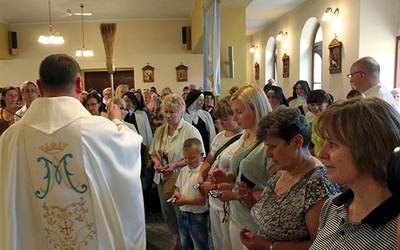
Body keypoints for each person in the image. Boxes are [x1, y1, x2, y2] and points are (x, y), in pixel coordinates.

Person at [0, 54, 146, 249]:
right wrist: (117, 121)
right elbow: (132, 146)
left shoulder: (10, 139)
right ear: (79, 84)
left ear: (39, 86)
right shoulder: (99, 130)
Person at [237, 107, 340, 250]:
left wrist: (269, 246)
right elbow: (267, 212)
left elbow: (319, 245)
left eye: (272, 147)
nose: (267, 154)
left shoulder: (317, 183)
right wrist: (247, 196)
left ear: (297, 142)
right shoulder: (283, 170)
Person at [309, 97, 400, 249]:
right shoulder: (333, 206)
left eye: (333, 144)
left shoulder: (395, 229)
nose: (321, 153)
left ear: (369, 151)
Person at [209, 84, 273, 250]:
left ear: (255, 109)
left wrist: (235, 196)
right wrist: (227, 177)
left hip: (255, 222)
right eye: (233, 112)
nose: (234, 117)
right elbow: (241, 176)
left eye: (239, 112)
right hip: (237, 214)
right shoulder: (246, 135)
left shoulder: (269, 143)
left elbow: (276, 191)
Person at [149, 94, 204, 250]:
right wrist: (157, 162)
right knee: (168, 213)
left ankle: (188, 242)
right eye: (166, 111)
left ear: (181, 112)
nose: (168, 115)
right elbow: (153, 153)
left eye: (172, 112)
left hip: (182, 177)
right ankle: (176, 241)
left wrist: (175, 164)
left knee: (182, 212)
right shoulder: (160, 131)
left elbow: (200, 156)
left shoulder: (190, 131)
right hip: (163, 178)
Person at [197, 96, 242, 250]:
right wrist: (201, 176)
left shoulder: (242, 140)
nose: (221, 123)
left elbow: (239, 176)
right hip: (214, 198)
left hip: (229, 200)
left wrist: (214, 185)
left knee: (230, 243)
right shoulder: (219, 137)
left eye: (225, 119)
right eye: (219, 119)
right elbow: (209, 160)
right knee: (218, 241)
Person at [171, 138, 209, 250]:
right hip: (183, 213)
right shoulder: (183, 170)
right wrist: (177, 194)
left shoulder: (204, 171)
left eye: (192, 157)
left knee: (199, 244)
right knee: (185, 243)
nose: (188, 161)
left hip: (198, 215)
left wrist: (185, 201)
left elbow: (204, 199)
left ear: (201, 154)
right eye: (185, 158)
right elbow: (177, 187)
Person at [184, 89, 216, 155]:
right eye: (200, 100)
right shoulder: (184, 116)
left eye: (203, 100)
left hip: (205, 149)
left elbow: (212, 134)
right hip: (189, 150)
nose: (202, 102)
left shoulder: (206, 115)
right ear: (193, 100)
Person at [306, 89, 332, 157]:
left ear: (327, 104)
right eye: (312, 104)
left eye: (319, 104)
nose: (316, 108)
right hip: (318, 158)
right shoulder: (315, 118)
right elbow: (317, 147)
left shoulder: (330, 121)